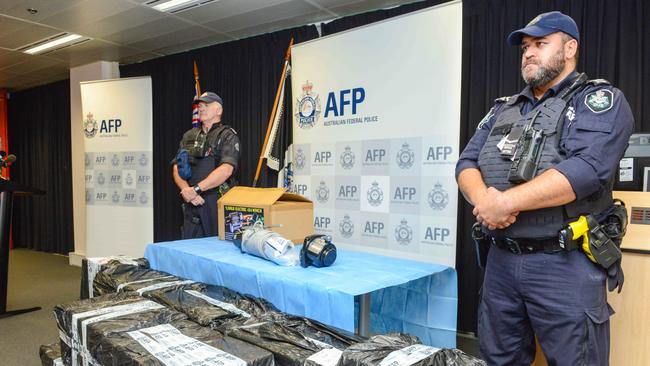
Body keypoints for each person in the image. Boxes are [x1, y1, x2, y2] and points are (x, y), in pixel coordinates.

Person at [455, 11, 634, 366]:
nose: (528, 53)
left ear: (570, 48)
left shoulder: (596, 101)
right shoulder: (502, 110)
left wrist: (504, 202)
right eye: (525, 47)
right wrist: (485, 202)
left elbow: (587, 170)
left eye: (540, 44)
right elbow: (467, 163)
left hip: (564, 264)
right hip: (502, 262)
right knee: (498, 359)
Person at [172, 91, 240, 239]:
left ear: (218, 110)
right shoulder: (189, 135)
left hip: (216, 203)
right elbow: (177, 167)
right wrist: (187, 191)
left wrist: (196, 189)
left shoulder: (227, 135)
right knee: (189, 250)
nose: (201, 108)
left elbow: (226, 170)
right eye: (200, 105)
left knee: (217, 250)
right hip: (192, 203)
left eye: (206, 105)